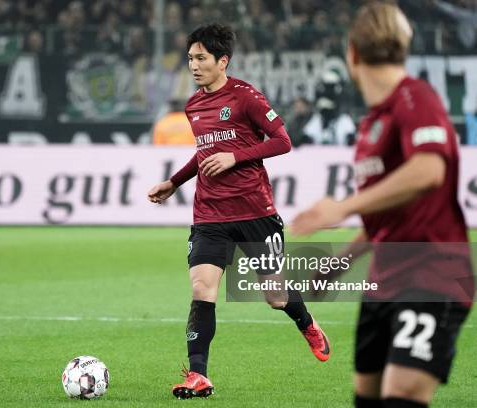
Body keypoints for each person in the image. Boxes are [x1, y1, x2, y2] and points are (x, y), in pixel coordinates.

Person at [291, 3, 474, 408]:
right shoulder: (372, 124)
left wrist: (341, 208)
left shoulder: (416, 97)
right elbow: (386, 220)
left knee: (401, 398)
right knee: (368, 400)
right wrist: (337, 264)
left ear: (352, 54)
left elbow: (429, 171)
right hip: (383, 283)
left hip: (431, 277)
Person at [147, 23, 330, 400]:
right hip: (210, 213)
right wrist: (175, 182)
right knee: (202, 288)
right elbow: (203, 153)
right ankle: (198, 374)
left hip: (254, 211)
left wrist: (236, 156)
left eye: (201, 58)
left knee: (275, 297)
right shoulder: (193, 104)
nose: (194, 66)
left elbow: (283, 142)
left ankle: (307, 322)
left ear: (222, 60)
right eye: (190, 59)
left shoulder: (247, 97)